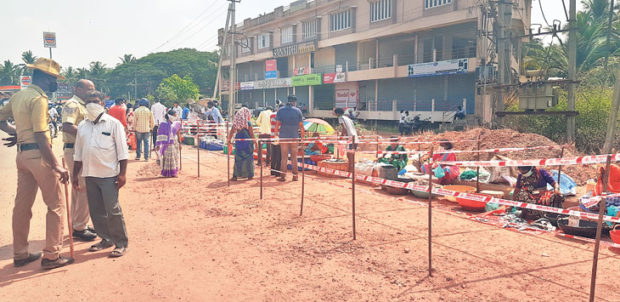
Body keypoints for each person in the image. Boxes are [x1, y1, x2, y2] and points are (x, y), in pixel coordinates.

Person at [0, 58, 73, 269]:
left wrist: (18, 133)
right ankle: (52, 256)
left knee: (22, 207)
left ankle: (20, 253)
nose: (55, 84)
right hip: (39, 156)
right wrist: (56, 166)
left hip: (22, 157)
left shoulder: (19, 96)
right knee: (56, 205)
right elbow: (41, 136)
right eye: (53, 79)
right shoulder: (39, 99)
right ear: (42, 77)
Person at [73, 90, 129, 258]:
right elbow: (78, 154)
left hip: (109, 175)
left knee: (113, 210)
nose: (92, 104)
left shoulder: (113, 124)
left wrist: (122, 174)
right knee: (96, 211)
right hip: (90, 175)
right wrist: (75, 175)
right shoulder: (83, 126)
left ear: (103, 103)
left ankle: (120, 243)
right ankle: (105, 238)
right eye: (89, 101)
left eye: (96, 101)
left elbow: (123, 152)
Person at [62, 79, 98, 242]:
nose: (91, 91)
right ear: (77, 89)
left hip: (81, 149)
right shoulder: (73, 104)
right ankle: (79, 227)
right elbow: (68, 126)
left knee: (78, 187)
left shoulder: (84, 105)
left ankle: (78, 223)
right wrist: (89, 136)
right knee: (83, 187)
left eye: (93, 89)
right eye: (88, 89)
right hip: (75, 149)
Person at [275, 95, 304, 182]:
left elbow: (277, 125)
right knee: (294, 157)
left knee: (284, 157)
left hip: (283, 137)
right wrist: (302, 137)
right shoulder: (298, 111)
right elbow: (301, 126)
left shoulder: (281, 110)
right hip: (294, 137)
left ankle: (283, 176)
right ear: (295, 102)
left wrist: (276, 134)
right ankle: (295, 176)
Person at [227, 107, 257, 181]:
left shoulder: (236, 123)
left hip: (239, 142)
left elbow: (231, 131)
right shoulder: (248, 123)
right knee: (249, 158)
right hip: (247, 143)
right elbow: (251, 134)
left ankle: (235, 176)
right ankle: (249, 175)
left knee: (238, 158)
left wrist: (229, 140)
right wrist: (255, 142)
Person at [156, 110, 182, 177]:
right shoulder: (163, 124)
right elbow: (159, 134)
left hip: (174, 143)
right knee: (167, 158)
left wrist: (180, 143)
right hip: (166, 144)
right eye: (174, 115)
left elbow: (178, 133)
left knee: (174, 158)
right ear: (170, 116)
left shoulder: (176, 124)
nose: (175, 117)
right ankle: (167, 173)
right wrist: (158, 144)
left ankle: (173, 173)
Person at [334, 107, 358, 172]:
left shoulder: (340, 118)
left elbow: (344, 128)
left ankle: (350, 171)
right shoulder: (347, 118)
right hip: (355, 137)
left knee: (349, 155)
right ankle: (351, 170)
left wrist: (341, 137)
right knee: (351, 155)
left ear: (337, 113)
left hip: (350, 138)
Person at [270, 104, 283, 177]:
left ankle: (272, 171)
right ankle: (277, 172)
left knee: (273, 155)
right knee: (279, 156)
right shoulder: (282, 116)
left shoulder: (272, 115)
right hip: (279, 137)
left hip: (272, 137)